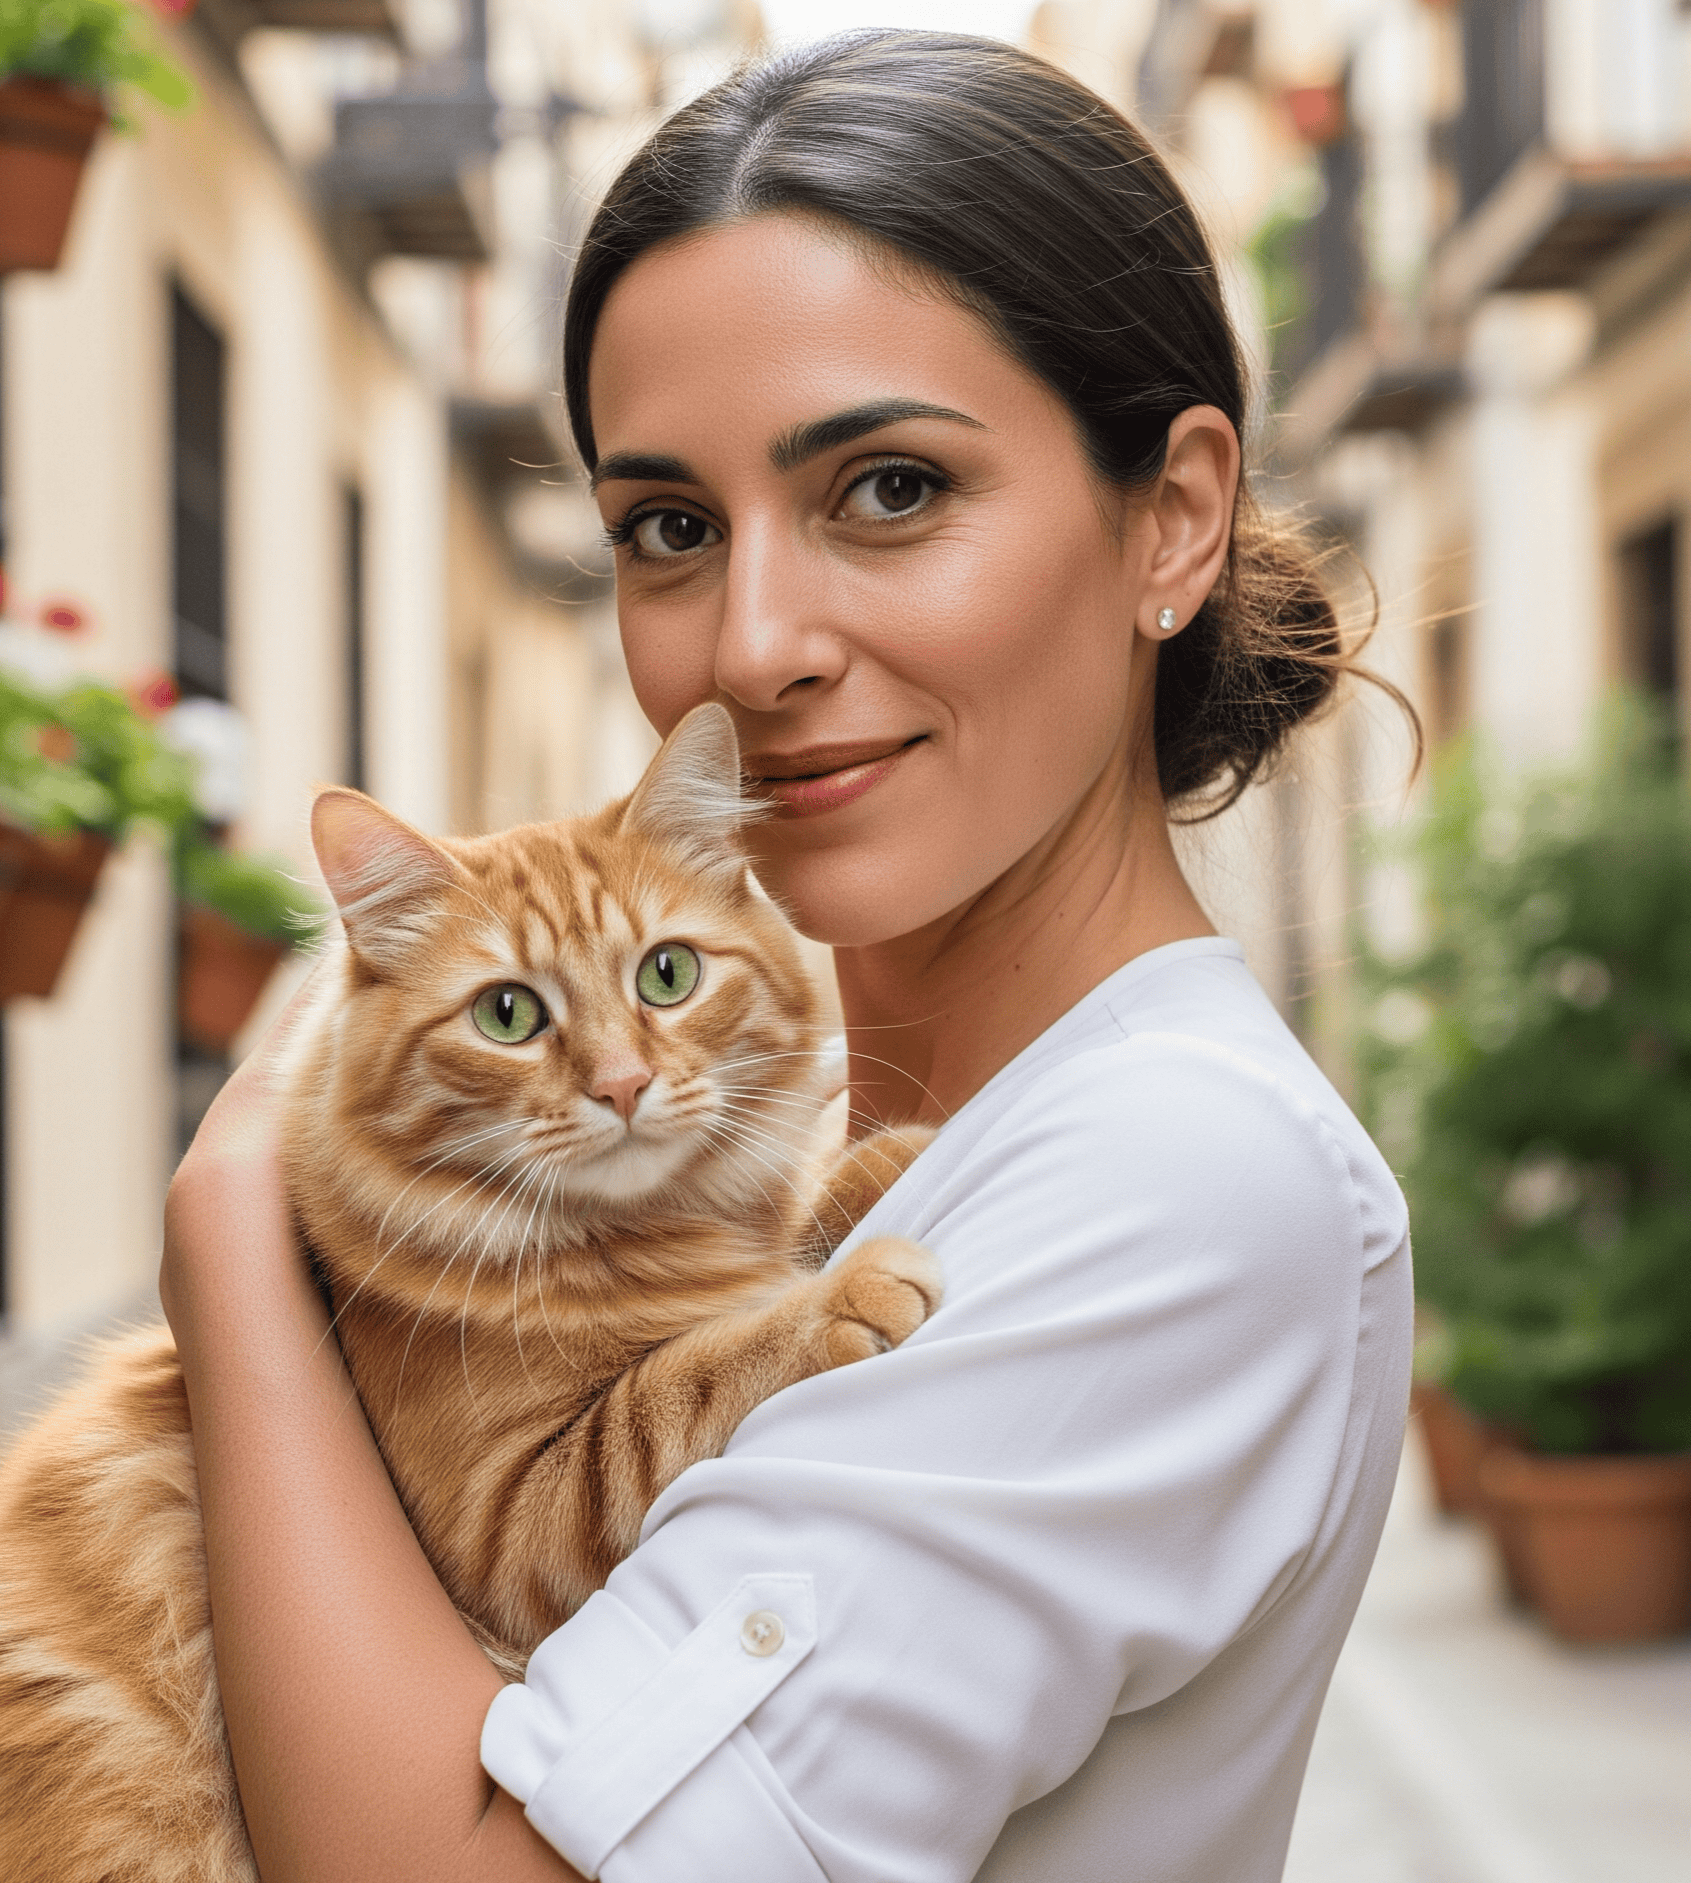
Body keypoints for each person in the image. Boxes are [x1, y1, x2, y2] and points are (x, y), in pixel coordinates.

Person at [161, 30, 1416, 1883]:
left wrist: (238, 1270)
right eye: (668, 529)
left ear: (1171, 517)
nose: (750, 645)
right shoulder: (871, 1155)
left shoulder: (1176, 1180)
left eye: (889, 489)